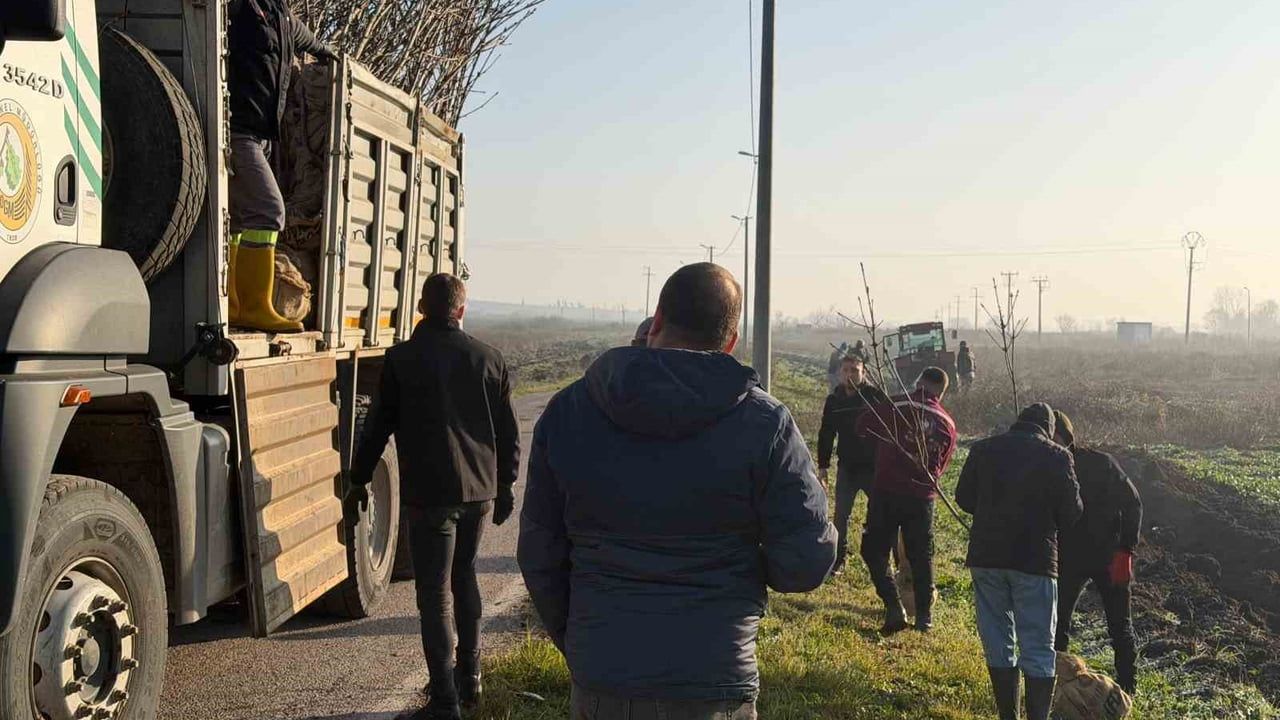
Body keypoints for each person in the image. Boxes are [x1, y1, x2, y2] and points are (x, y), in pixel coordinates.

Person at [518, 263, 836, 720]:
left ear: (658, 320)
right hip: (714, 677)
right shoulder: (766, 425)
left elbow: (538, 552)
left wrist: (582, 640)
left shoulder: (570, 410)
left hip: (604, 674)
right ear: (730, 343)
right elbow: (806, 562)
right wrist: (745, 571)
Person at [349, 274, 520, 720]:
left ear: (421, 307)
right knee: (465, 577)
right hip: (479, 493)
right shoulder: (490, 359)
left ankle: (444, 700)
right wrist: (506, 487)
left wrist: (358, 479)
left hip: (431, 496)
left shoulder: (402, 359)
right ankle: (471, 678)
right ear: (461, 310)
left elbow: (377, 427)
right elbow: (508, 433)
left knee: (435, 594)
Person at [956, 403, 1082, 720]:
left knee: (998, 641)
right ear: (1050, 429)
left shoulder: (983, 449)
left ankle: (1007, 716)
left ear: (1018, 423)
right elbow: (1071, 514)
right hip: (1035, 561)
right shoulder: (1058, 456)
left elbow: (963, 498)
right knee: (1038, 646)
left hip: (987, 557)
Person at [227, 0, 337, 332]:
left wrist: (325, 51)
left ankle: (233, 303)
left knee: (238, 220)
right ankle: (254, 306)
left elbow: (301, 37)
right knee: (269, 210)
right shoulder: (241, 7)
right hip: (236, 128)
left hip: (261, 133)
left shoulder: (279, 13)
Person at [855, 367, 957, 634]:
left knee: (873, 550)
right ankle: (924, 617)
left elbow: (863, 426)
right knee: (921, 556)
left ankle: (893, 606)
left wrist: (881, 453)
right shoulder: (947, 422)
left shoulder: (895, 403)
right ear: (941, 393)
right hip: (922, 497)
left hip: (886, 490)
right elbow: (942, 465)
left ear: (918, 382)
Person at [1052, 410, 1142, 695]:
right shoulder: (1049, 465)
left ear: (1066, 436)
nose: (1047, 441)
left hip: (1109, 556)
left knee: (1120, 626)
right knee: (1057, 624)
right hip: (1068, 558)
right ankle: (1054, 685)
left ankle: (1128, 690)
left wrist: (1126, 550)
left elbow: (1133, 503)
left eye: (1052, 436)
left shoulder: (1101, 463)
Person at [817, 355, 890, 576]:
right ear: (840, 373)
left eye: (855, 371)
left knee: (881, 514)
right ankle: (838, 560)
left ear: (864, 373)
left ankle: (883, 561)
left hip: (874, 468)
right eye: (846, 370)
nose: (850, 375)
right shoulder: (834, 401)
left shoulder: (875, 398)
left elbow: (890, 429)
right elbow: (826, 434)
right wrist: (823, 466)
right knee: (841, 515)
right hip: (847, 467)